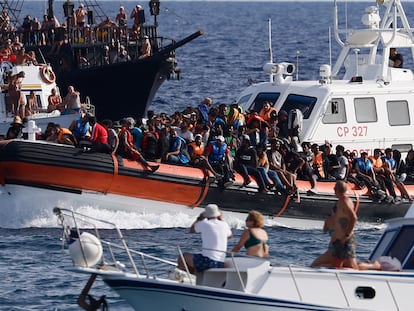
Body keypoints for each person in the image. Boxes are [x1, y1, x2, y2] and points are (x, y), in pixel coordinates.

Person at [177, 204, 233, 274]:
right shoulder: (224, 224)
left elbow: (191, 230)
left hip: (208, 262)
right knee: (198, 258)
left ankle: (186, 277)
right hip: (220, 263)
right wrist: (221, 220)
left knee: (183, 257)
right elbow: (230, 236)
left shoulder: (205, 223)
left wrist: (199, 219)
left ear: (206, 215)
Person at [331, 181, 358, 269]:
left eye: (335, 188)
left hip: (345, 238)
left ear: (338, 190)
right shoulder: (340, 202)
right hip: (339, 238)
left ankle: (374, 266)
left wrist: (347, 235)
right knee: (336, 264)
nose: (334, 190)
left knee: (352, 266)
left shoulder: (345, 202)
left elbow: (354, 218)